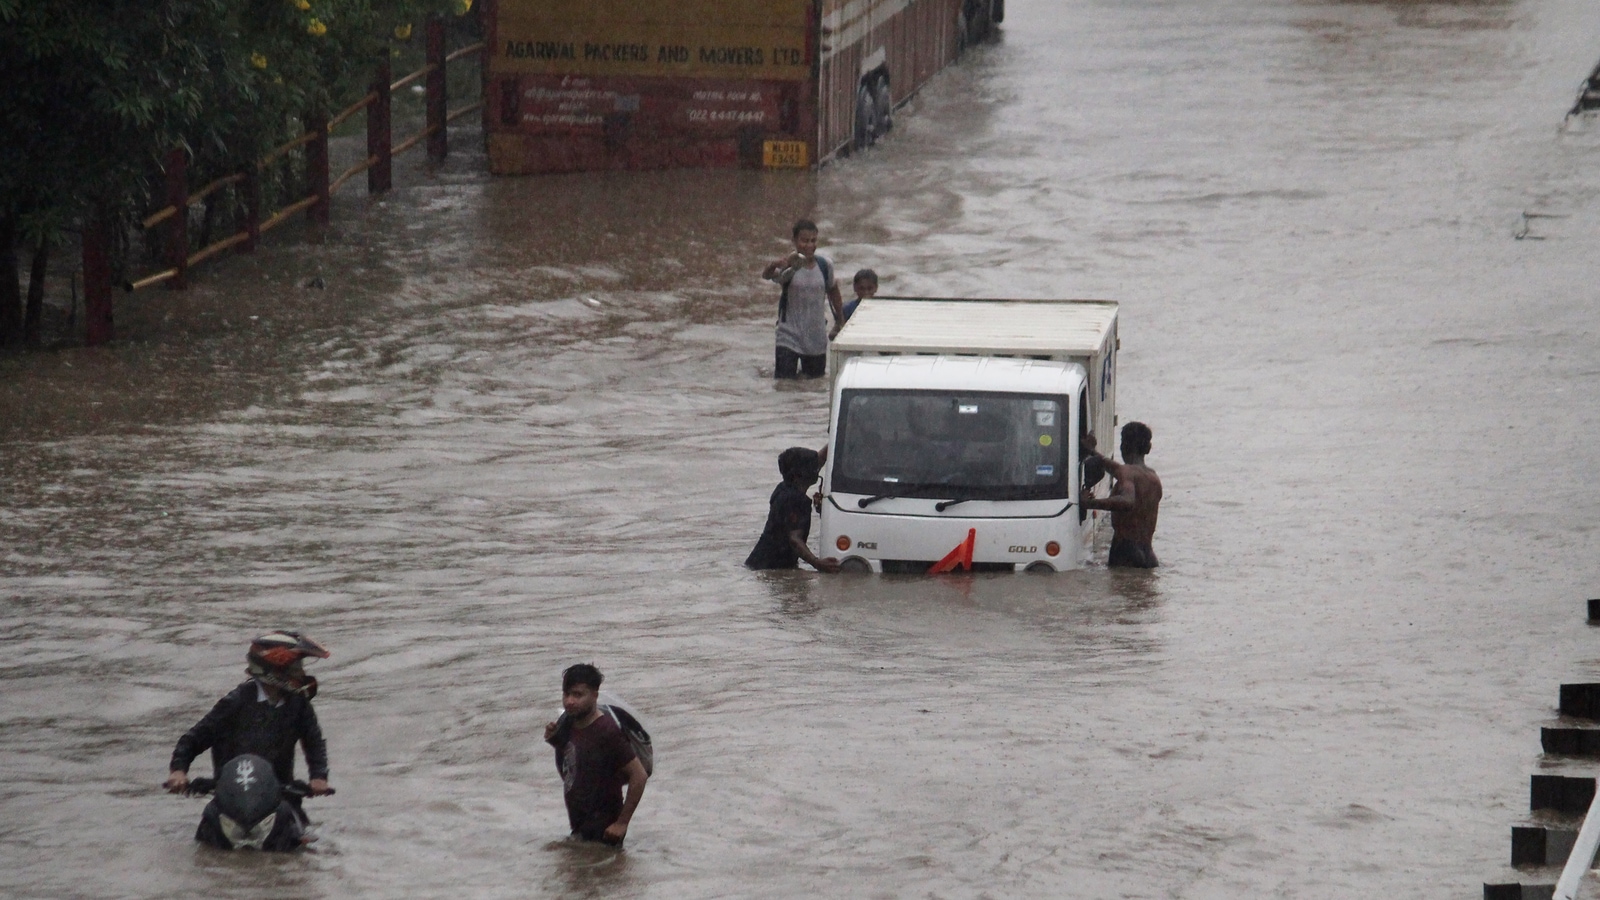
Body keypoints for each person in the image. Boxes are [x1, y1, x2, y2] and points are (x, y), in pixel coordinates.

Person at [165, 632, 333, 846]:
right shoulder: (235, 702)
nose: (300, 674)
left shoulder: (299, 704)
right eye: (295, 668)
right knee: (206, 839)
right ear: (275, 669)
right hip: (231, 800)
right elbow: (194, 738)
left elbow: (314, 742)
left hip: (281, 797)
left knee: (307, 843)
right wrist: (178, 771)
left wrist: (319, 777)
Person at [543, 664, 650, 845]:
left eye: (578, 695)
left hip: (605, 833)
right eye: (566, 694)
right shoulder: (568, 723)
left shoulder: (606, 731)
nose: (569, 701)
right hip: (579, 828)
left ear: (594, 695)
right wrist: (555, 740)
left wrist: (621, 823)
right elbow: (576, 766)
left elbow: (639, 775)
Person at [762, 219, 844, 379]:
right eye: (804, 241)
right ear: (794, 241)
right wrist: (774, 264)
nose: (809, 245)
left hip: (816, 337)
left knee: (814, 385)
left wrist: (840, 321)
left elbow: (833, 290)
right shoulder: (789, 266)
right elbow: (767, 275)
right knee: (784, 384)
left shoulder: (825, 266)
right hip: (788, 336)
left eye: (813, 241)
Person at [745, 446, 840, 572]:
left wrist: (837, 433)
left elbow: (821, 458)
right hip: (769, 566)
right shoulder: (794, 499)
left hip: (761, 562)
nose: (816, 468)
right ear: (797, 475)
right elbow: (794, 540)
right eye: (811, 467)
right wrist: (817, 563)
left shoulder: (784, 487)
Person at [1082, 422, 1162, 568]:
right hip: (1148, 555)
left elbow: (1127, 501)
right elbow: (1115, 468)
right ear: (1148, 449)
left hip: (1125, 553)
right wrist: (1092, 452)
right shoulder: (1152, 477)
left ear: (1123, 446)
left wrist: (1090, 503)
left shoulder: (1127, 473)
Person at [830, 268, 878, 338]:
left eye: (869, 288)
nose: (866, 292)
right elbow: (833, 333)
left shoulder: (881, 309)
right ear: (855, 287)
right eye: (861, 289)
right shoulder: (846, 309)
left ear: (876, 288)